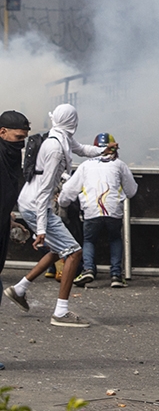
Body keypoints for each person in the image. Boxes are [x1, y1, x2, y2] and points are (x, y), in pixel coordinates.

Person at [3, 104, 117, 328]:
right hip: (37, 205)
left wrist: (103, 150)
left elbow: (82, 149)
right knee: (74, 252)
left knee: (59, 250)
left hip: (33, 203)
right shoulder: (55, 148)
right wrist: (41, 229)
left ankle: (19, 289)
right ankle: (61, 312)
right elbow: (45, 190)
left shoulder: (59, 137)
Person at [59, 133, 138, 288]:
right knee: (115, 239)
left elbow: (68, 190)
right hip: (113, 210)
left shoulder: (85, 166)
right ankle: (116, 275)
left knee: (89, 240)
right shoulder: (120, 165)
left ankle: (88, 270)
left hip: (91, 210)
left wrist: (63, 202)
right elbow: (132, 191)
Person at [0, 110, 30, 368]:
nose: (21, 144)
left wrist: (8, 218)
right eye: (18, 137)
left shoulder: (9, 158)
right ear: (2, 132)